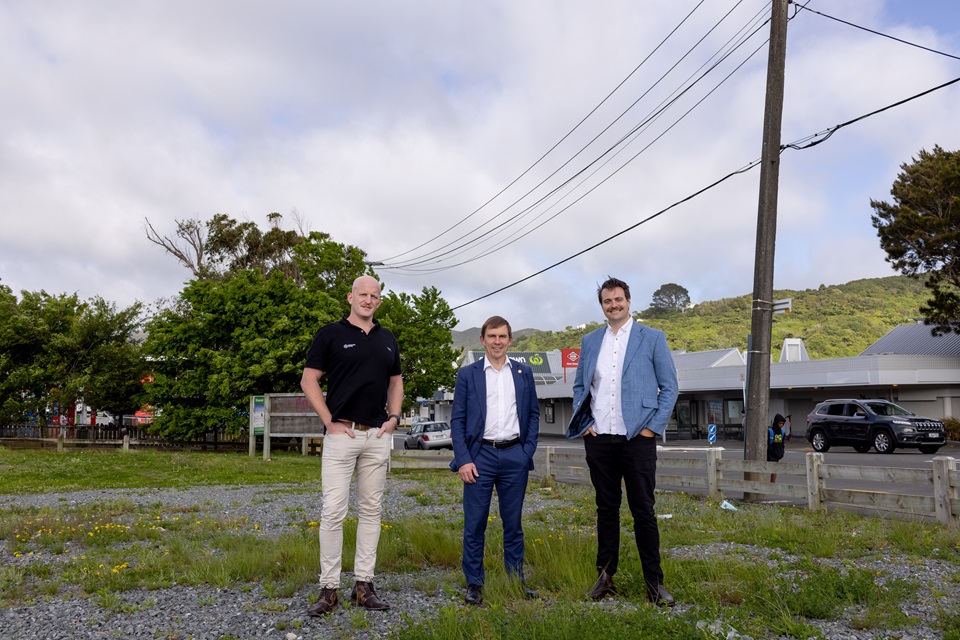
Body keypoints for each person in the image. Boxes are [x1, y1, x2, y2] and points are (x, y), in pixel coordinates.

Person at [566, 277, 679, 607]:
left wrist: (651, 429)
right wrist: (585, 423)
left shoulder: (653, 338)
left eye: (618, 299)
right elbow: (579, 388)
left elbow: (670, 388)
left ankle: (654, 584)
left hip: (637, 438)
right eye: (607, 301)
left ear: (629, 301)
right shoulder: (590, 341)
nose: (613, 305)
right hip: (599, 438)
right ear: (601, 305)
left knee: (643, 510)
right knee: (606, 508)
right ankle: (605, 578)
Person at [300, 275, 403, 616]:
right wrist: (329, 421)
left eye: (375, 295)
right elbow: (309, 379)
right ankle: (329, 588)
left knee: (371, 511)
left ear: (379, 301)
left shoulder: (388, 338)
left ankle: (364, 585)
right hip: (341, 435)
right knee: (333, 512)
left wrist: (394, 418)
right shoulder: (330, 334)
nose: (369, 300)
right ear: (350, 297)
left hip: (376, 436)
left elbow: (396, 382)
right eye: (363, 294)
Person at [450, 315, 540, 605]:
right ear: (483, 340)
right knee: (475, 524)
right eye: (492, 336)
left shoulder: (524, 373)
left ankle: (516, 580)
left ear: (510, 340)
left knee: (513, 524)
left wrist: (526, 451)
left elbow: (534, 414)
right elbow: (458, 420)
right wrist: (464, 459)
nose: (497, 342)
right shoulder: (468, 374)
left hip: (515, 455)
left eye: (502, 336)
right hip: (480, 457)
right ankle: (474, 583)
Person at [767, 414, 787, 483]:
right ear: (776, 422)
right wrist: (773, 452)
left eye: (782, 423)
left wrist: (782, 452)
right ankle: (771, 484)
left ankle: (772, 484)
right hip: (770, 455)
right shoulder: (770, 431)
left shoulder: (782, 432)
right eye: (780, 423)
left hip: (777, 455)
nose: (781, 425)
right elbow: (767, 444)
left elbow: (782, 444)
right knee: (772, 470)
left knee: (774, 471)